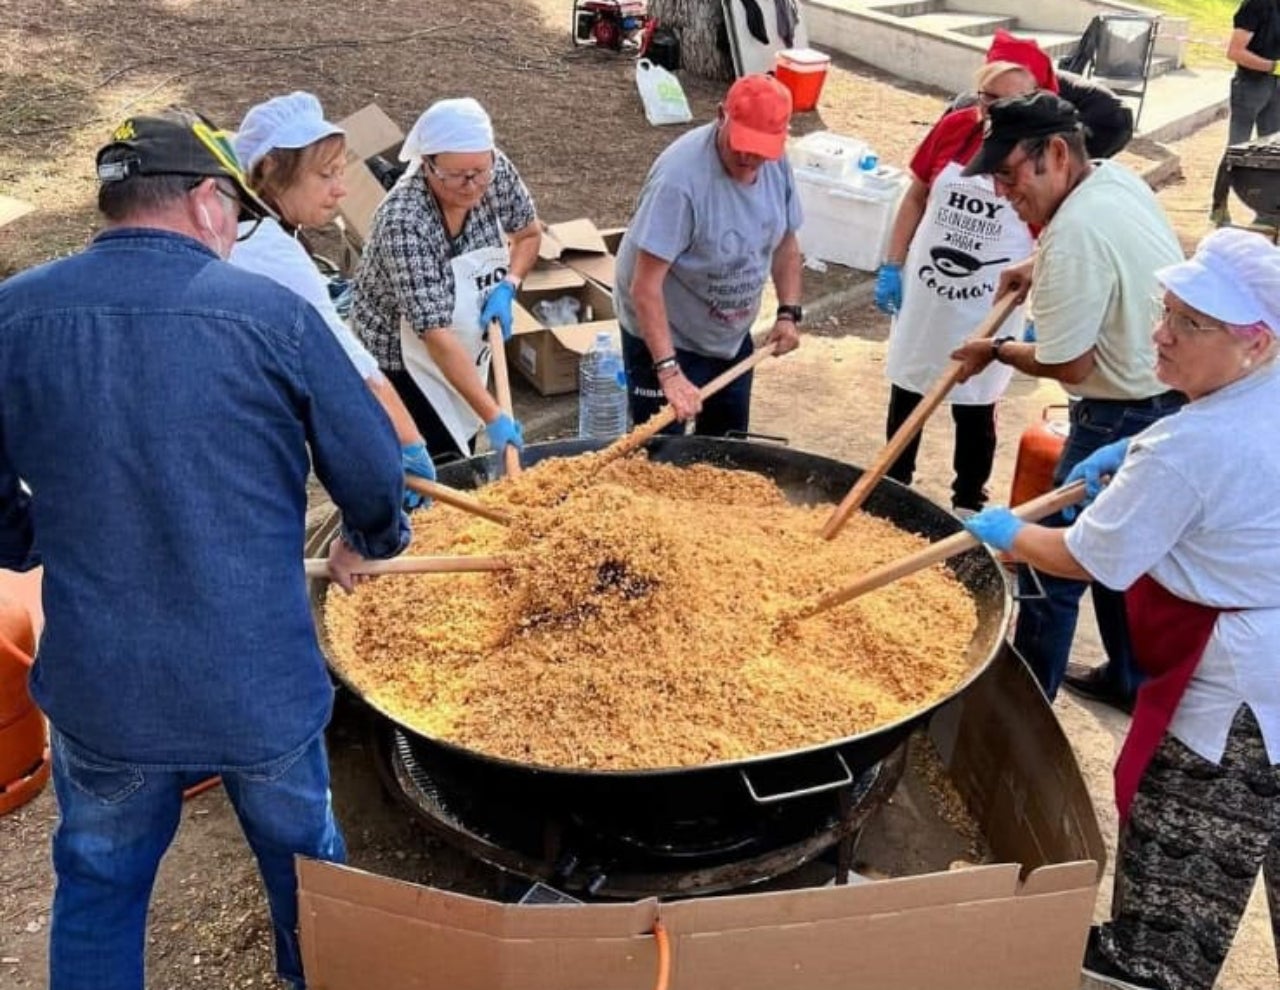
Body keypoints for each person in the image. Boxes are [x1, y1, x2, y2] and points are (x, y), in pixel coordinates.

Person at [0, 109, 410, 990]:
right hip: (254, 679)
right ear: (206, 201)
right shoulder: (271, 315)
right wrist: (371, 539)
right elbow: (373, 464)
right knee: (312, 883)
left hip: (104, 687)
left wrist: (26, 535)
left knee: (100, 888)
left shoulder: (13, 316)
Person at [963, 228, 1280, 990]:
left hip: (1241, 687)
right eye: (1166, 310)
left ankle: (1149, 968)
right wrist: (1145, 450)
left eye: (1192, 325)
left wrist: (1010, 534)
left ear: (1259, 342)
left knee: (1188, 852)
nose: (1161, 335)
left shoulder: (1194, 448)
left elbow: (1089, 557)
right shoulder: (1242, 404)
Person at [950, 92, 1185, 710]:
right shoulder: (1113, 181)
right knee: (1117, 551)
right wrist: (1035, 263)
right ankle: (1128, 679)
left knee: (1050, 570)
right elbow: (1097, 250)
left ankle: (1022, 710)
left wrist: (997, 349)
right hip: (1162, 399)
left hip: (1117, 413)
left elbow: (1065, 361)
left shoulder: (1072, 236)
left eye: (1007, 174)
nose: (1002, 192)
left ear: (1054, 154)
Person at [229, 91, 437, 507]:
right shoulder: (267, 247)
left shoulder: (255, 228)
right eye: (326, 175)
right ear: (269, 169)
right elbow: (348, 362)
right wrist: (409, 444)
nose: (341, 190)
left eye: (341, 173)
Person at [875, 58, 1038, 516]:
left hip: (988, 300)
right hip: (929, 293)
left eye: (1005, 102)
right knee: (908, 387)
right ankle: (892, 487)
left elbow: (1053, 241)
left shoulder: (1039, 155)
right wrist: (893, 263)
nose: (990, 110)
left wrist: (1041, 307)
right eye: (986, 98)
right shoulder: (953, 130)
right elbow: (915, 195)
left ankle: (968, 502)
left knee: (976, 405)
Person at [351, 97, 539, 464]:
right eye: (456, 176)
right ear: (427, 166)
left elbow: (529, 234)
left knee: (460, 447)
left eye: (479, 172)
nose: (471, 185)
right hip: (401, 359)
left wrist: (509, 284)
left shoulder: (494, 172)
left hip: (461, 343)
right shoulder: (405, 221)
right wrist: (495, 417)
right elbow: (435, 336)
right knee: (425, 460)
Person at [613, 73, 803, 436]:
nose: (749, 157)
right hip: (666, 329)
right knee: (657, 453)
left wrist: (788, 313)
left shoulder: (776, 164)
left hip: (727, 334)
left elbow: (785, 244)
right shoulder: (679, 181)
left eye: (761, 149)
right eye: (742, 144)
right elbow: (645, 286)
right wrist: (668, 371)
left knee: (727, 444)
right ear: (721, 115)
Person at [945, 29, 1134, 159]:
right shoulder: (1015, 83)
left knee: (1062, 161)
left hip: (1108, 119)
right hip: (1108, 111)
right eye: (988, 97)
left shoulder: (1031, 86)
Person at [1210, 0, 1280, 227]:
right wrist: (1272, 67)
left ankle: (1267, 214)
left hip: (1275, 88)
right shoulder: (1255, 5)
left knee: (1271, 151)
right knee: (1237, 147)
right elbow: (1235, 51)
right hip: (1250, 86)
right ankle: (1219, 207)